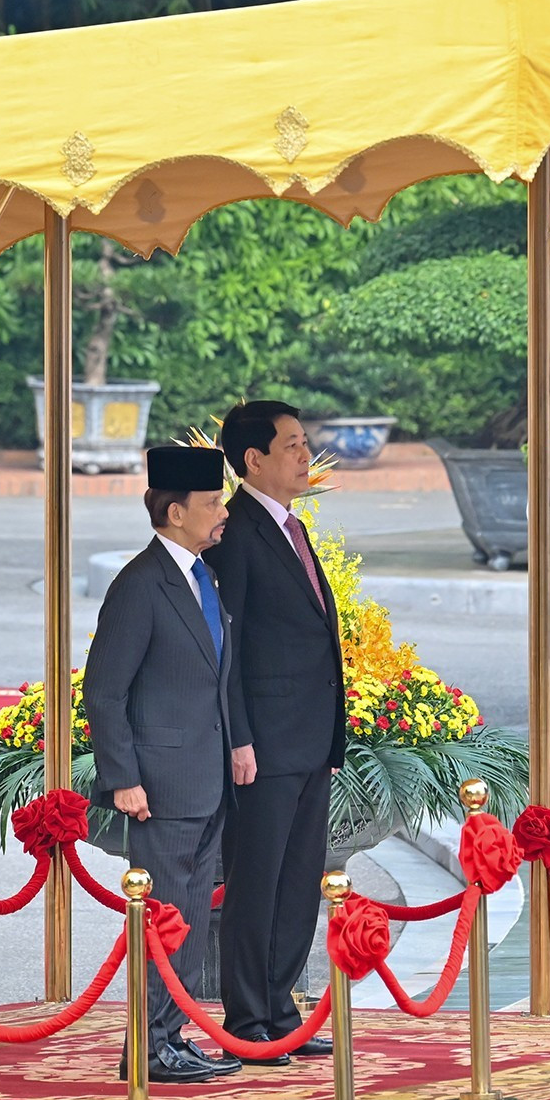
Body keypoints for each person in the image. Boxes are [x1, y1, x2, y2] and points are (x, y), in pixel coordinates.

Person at [81, 445, 244, 1084]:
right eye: (211, 504)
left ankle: (170, 1037)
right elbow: (104, 689)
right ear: (175, 512)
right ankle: (149, 1049)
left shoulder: (202, 576)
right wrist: (122, 778)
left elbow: (213, 678)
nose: (222, 513)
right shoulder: (140, 584)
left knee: (191, 914)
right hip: (160, 786)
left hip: (205, 782)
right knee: (166, 918)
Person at [207, 400, 341, 1062]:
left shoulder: (291, 526)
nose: (303, 454)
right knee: (256, 880)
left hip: (310, 740)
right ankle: (247, 1017)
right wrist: (239, 738)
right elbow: (226, 644)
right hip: (262, 744)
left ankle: (280, 1007)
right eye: (290, 445)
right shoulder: (236, 532)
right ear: (252, 459)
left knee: (298, 879)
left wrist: (335, 739)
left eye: (305, 442)